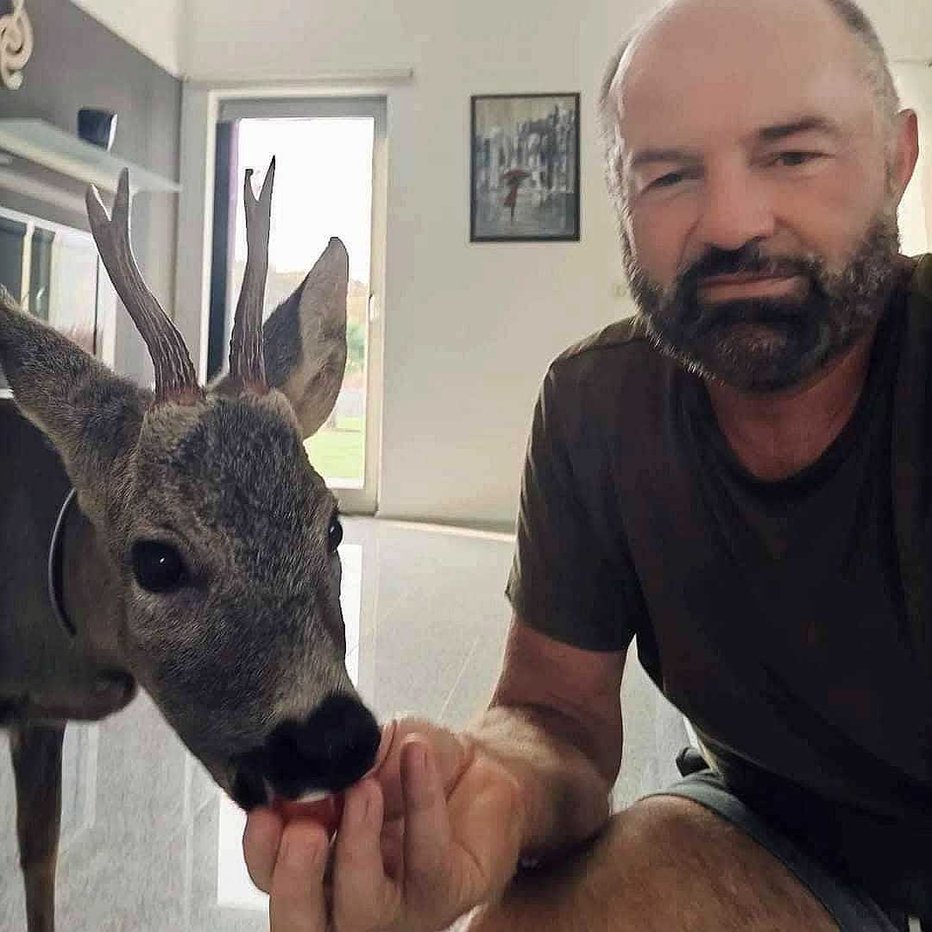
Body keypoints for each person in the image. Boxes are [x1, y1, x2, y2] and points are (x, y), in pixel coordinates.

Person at [243, 0, 932, 928]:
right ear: (620, 200)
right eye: (670, 175)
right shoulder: (597, 408)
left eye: (793, 154)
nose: (730, 223)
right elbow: (557, 721)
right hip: (772, 839)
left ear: (897, 157)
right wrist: (483, 788)